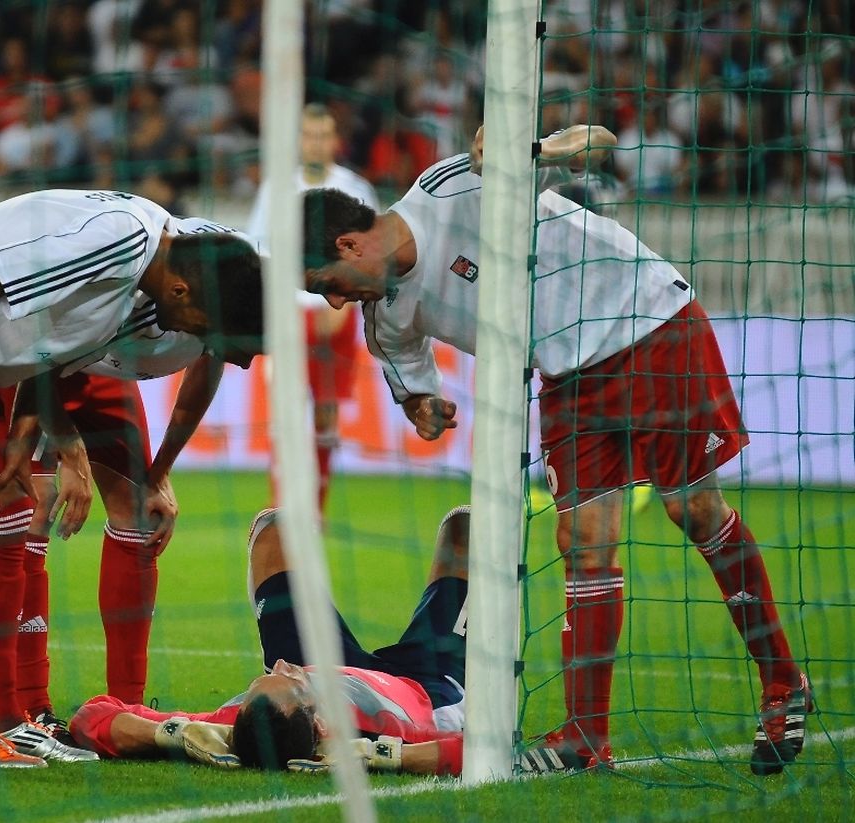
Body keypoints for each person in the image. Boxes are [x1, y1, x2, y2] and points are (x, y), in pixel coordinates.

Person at [299, 124, 811, 776]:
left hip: (646, 322)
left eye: (328, 282)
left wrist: (537, 149)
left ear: (349, 245)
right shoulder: (386, 315)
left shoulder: (451, 188)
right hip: (568, 378)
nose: (336, 301)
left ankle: (782, 681)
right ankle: (585, 737)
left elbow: (594, 139)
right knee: (581, 539)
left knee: (694, 511)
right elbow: (411, 379)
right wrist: (424, 408)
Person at [0, 189, 263, 768]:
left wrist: (34, 440)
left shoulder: (138, 288)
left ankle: (7, 721)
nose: (207, 346)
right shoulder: (123, 244)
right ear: (179, 291)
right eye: (205, 328)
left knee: (13, 510)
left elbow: (43, 358)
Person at [0, 217, 262, 735]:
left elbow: (200, 380)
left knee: (142, 515)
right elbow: (43, 345)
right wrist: (70, 456)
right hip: (34, 361)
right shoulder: (140, 274)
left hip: (101, 369)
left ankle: (125, 709)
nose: (250, 364)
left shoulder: (232, 291)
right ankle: (29, 706)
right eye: (250, 349)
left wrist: (158, 474)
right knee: (32, 511)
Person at [66, 505, 470, 775]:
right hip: (424, 684)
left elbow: (92, 717)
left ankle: (296, 686)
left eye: (261, 679)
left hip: (321, 662)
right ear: (319, 722)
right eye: (287, 679)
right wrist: (387, 755)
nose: (279, 665)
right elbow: (476, 750)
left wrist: (176, 733)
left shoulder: (234, 720)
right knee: (466, 527)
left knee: (275, 527)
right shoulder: (384, 729)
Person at [246, 103, 380, 512]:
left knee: (325, 414)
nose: (316, 143)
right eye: (309, 135)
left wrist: (347, 300)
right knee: (284, 415)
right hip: (289, 314)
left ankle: (316, 507)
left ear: (334, 141)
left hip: (336, 313)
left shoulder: (356, 188)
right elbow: (257, 248)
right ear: (299, 141)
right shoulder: (276, 188)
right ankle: (278, 507)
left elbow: (372, 254)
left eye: (323, 136)